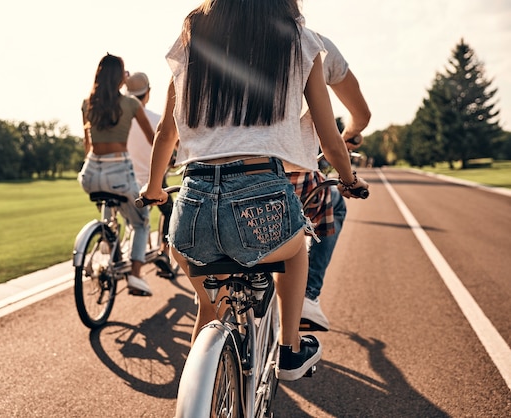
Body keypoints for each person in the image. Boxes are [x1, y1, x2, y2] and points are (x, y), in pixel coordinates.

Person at [141, 0, 369, 381]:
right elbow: (330, 139)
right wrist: (348, 179)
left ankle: (201, 387)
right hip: (262, 192)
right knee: (298, 249)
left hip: (193, 205)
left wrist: (153, 190)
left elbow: (167, 133)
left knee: (210, 307)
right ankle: (291, 349)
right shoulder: (301, 42)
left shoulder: (193, 37)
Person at [298, 30, 372, 332]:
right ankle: (308, 295)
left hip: (212, 175)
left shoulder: (215, 38)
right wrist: (348, 173)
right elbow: (360, 115)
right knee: (336, 205)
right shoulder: (311, 45)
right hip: (290, 172)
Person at [78, 54, 155, 296]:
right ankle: (135, 275)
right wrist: (172, 158)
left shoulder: (87, 103)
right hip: (119, 172)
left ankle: (107, 239)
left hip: (90, 173)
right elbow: (153, 139)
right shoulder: (131, 104)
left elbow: (87, 143)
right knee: (141, 222)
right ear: (119, 77)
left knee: (110, 207)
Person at [125, 72, 174, 254]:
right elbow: (170, 141)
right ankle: (164, 250)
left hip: (129, 179)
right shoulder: (154, 119)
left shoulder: (122, 121)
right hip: (153, 181)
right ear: (148, 92)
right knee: (170, 211)